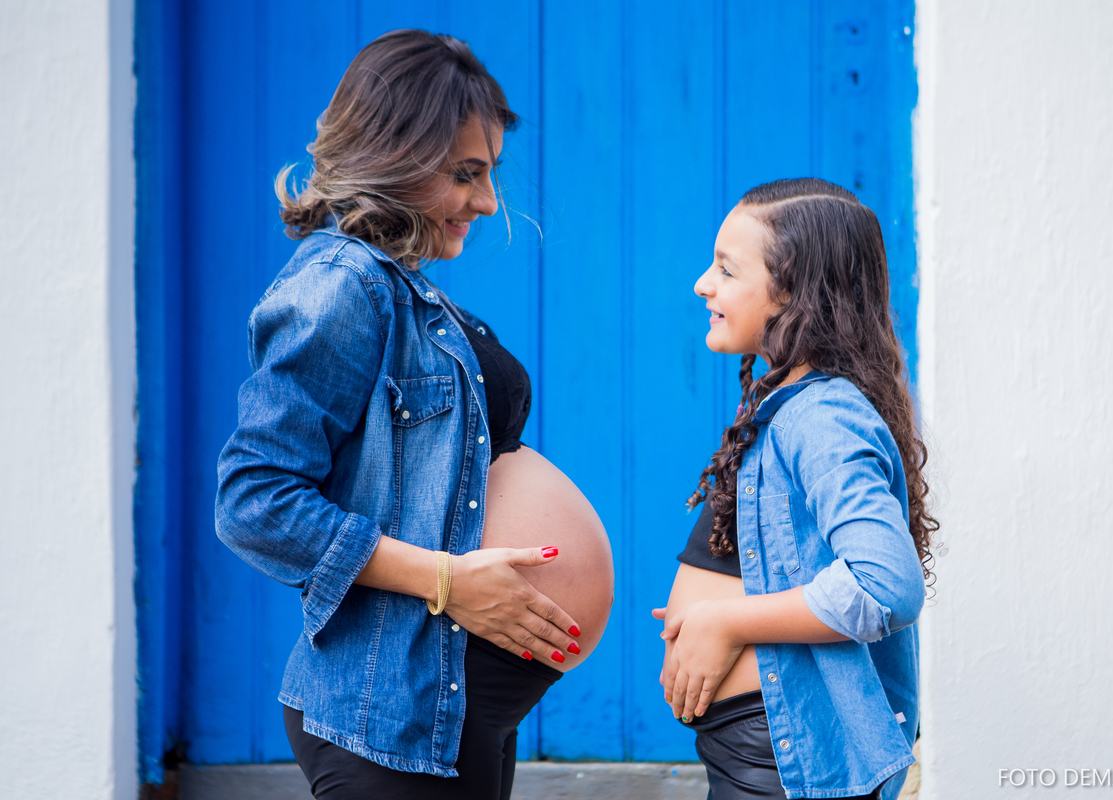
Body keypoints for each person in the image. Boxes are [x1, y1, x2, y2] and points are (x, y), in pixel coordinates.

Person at [215, 30, 613, 800]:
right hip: (393, 720)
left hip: (446, 706)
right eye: (466, 174)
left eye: (489, 173)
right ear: (392, 154)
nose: (488, 202)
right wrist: (445, 580)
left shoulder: (401, 285)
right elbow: (253, 502)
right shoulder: (341, 287)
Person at [653, 179, 937, 800]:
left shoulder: (822, 416)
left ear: (792, 292)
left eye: (727, 270)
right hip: (760, 754)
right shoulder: (791, 406)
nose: (702, 284)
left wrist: (727, 620)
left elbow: (884, 584)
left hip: (784, 765)